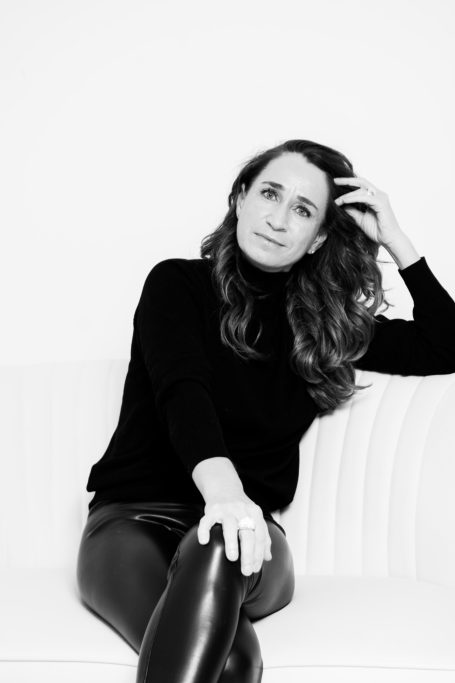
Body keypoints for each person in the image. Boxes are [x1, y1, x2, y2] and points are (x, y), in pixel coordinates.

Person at [76, 139, 455, 683]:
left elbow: (447, 347)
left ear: (317, 237)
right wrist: (225, 496)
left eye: (302, 209)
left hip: (250, 538)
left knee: (222, 541)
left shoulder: (325, 329)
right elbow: (183, 392)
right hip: (132, 522)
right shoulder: (176, 285)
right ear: (240, 200)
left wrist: (397, 240)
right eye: (270, 194)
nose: (278, 219)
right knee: (233, 664)